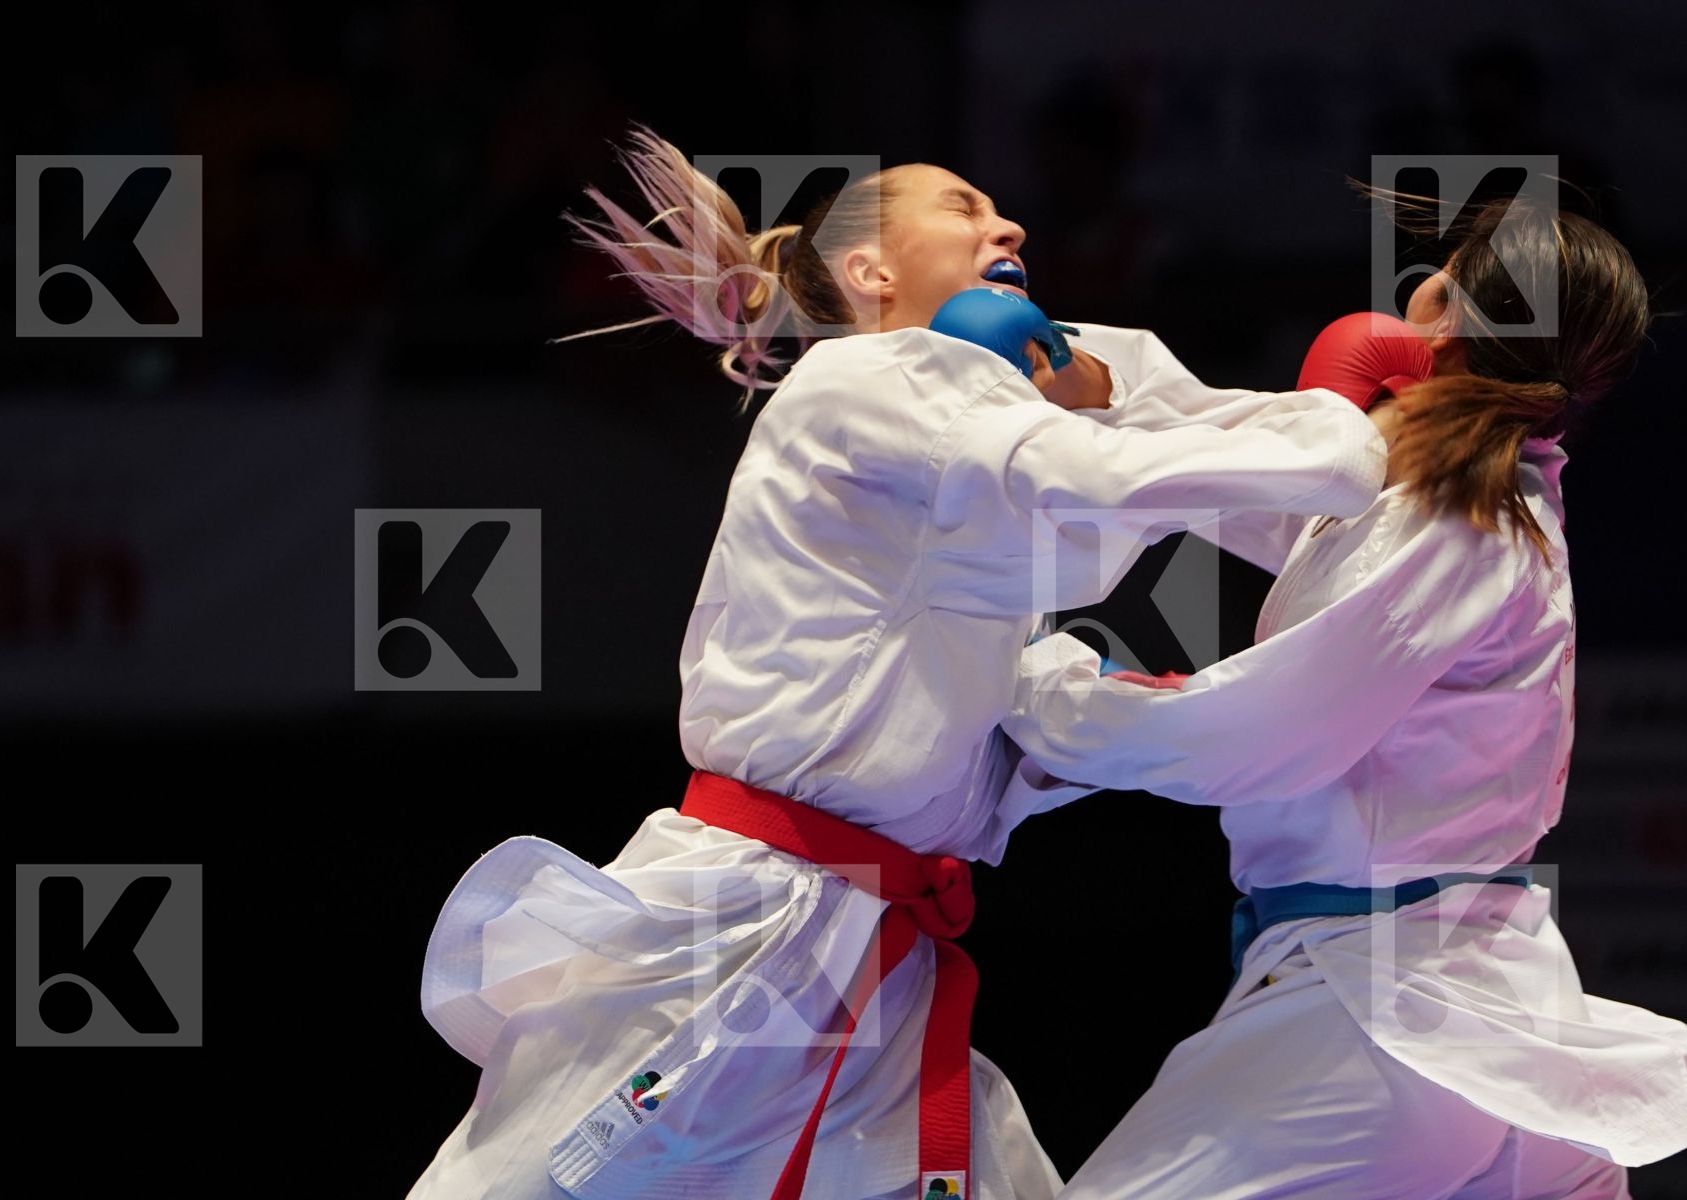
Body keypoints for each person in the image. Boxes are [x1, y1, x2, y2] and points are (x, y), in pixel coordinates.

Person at [404, 125, 1389, 1200]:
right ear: (871, 271)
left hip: (882, 958)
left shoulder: (954, 479)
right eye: (963, 208)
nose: (1007, 223)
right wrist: (1338, 428)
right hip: (742, 928)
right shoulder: (859, 379)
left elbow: (1102, 541)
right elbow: (1099, 478)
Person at [1006, 192, 1687, 1197]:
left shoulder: (1460, 524)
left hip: (1378, 1019)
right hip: (1484, 1013)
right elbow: (1245, 476)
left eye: (1436, 278)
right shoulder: (1474, 503)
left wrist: (1027, 689)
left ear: (1442, 320)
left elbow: (1255, 733)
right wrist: (1083, 379)